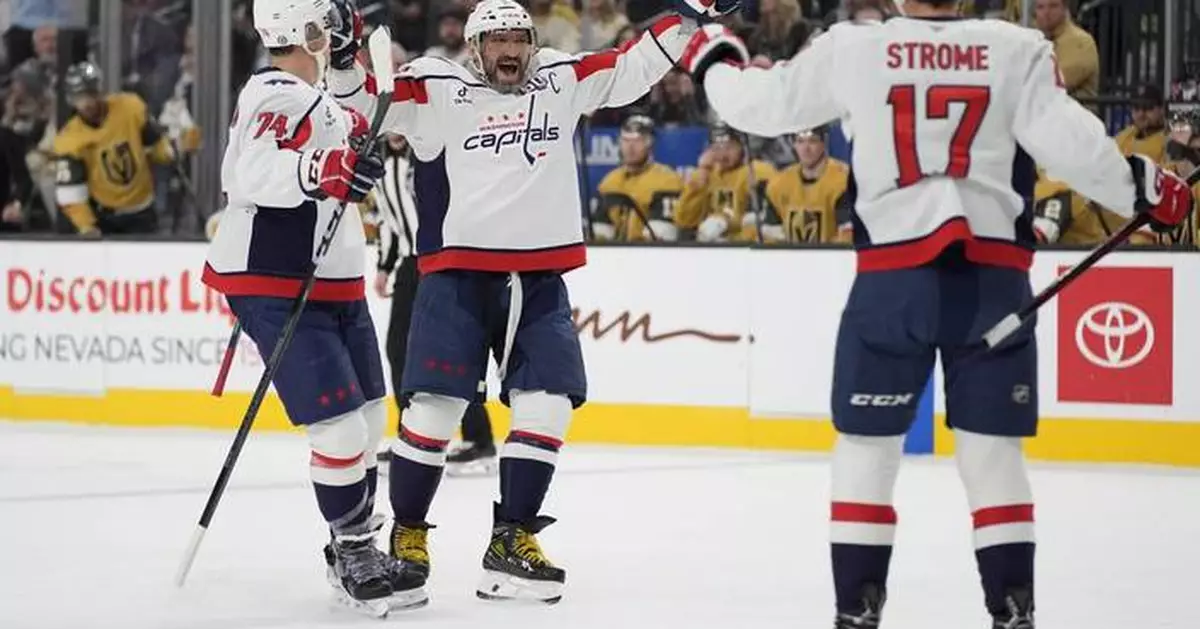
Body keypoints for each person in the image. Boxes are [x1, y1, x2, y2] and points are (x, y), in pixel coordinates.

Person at [680, 0, 1193, 627]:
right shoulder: (1016, 47)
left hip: (892, 284)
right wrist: (1146, 186)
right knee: (993, 456)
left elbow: (753, 106)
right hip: (992, 285)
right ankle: (1013, 613)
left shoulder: (855, 47)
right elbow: (1072, 146)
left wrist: (713, 51)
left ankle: (856, 611)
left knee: (866, 447)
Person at [327, 0, 721, 605]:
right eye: (497, 39)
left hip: (539, 281)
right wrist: (341, 54)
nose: (509, 48)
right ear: (477, 46)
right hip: (457, 278)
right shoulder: (437, 85)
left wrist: (691, 15)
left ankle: (511, 540)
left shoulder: (559, 80)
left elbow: (634, 65)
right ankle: (407, 537)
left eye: (519, 37)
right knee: (432, 412)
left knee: (547, 406)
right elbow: (360, 102)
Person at [198, 0, 406, 616]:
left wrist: (351, 159)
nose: (344, 28)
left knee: (369, 422)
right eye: (331, 20)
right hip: (275, 277)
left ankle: (351, 541)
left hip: (335, 279)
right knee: (340, 427)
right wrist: (327, 166)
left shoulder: (322, 98)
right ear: (306, 31)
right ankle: (354, 547)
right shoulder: (274, 93)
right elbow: (253, 173)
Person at [369, 133, 498, 474]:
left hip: (445, 258)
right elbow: (386, 219)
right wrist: (384, 265)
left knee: (453, 350)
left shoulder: (430, 149)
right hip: (411, 264)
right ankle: (410, 436)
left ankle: (479, 439)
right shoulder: (377, 156)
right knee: (398, 349)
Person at [53, 62, 188, 236]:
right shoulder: (69, 140)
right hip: (105, 218)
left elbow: (156, 147)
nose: (86, 103)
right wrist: (86, 226)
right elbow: (70, 193)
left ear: (100, 90)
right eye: (79, 97)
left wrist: (176, 147)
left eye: (90, 94)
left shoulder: (130, 108)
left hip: (143, 212)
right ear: (70, 100)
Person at [675, 122, 777, 242]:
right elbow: (684, 221)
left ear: (742, 146)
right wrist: (699, 182)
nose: (722, 155)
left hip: (745, 247)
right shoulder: (706, 174)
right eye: (716, 148)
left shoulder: (758, 171)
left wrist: (726, 224)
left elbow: (763, 222)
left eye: (729, 147)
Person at [592, 114, 684, 241]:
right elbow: (599, 232)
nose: (630, 147)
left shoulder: (667, 180)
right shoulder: (609, 181)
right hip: (615, 254)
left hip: (649, 253)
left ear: (650, 143)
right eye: (625, 140)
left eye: (638, 141)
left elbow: (662, 233)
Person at [762, 125, 851, 243]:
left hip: (830, 259)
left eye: (813, 141)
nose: (805, 148)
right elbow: (770, 235)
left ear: (824, 143)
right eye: (800, 141)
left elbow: (847, 237)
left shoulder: (841, 180)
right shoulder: (779, 184)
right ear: (793, 144)